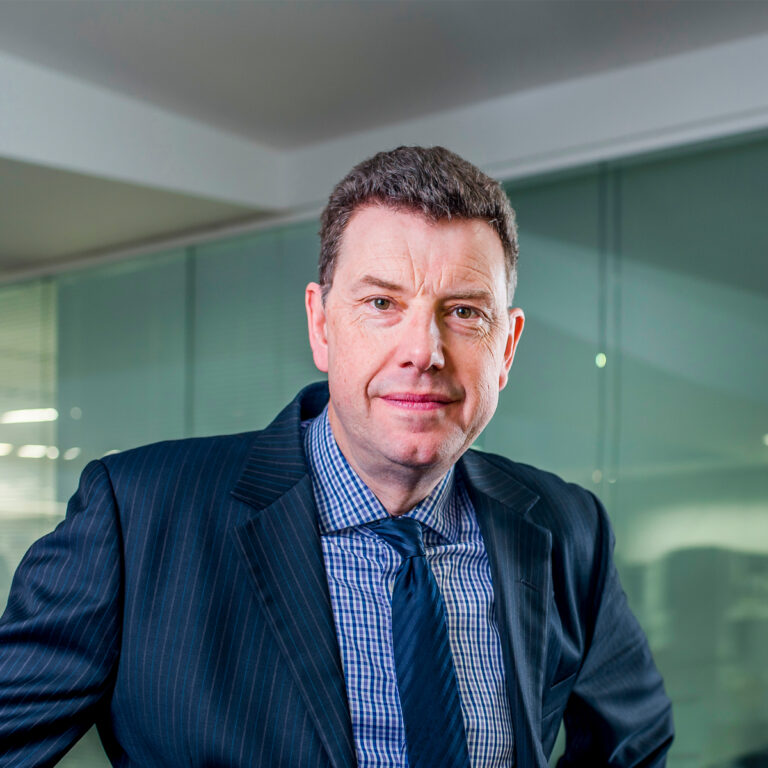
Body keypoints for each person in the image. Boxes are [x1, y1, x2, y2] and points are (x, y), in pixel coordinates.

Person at [0, 146, 673, 767]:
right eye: (382, 303)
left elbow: (633, 742)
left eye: (465, 312)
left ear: (508, 346)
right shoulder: (137, 513)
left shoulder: (565, 525)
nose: (424, 352)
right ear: (322, 325)